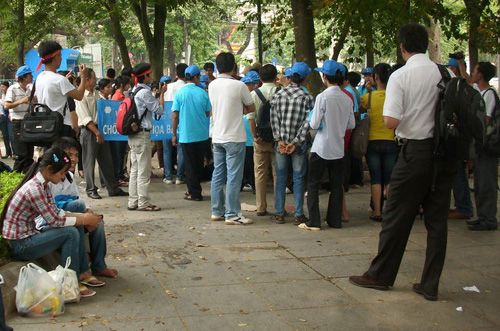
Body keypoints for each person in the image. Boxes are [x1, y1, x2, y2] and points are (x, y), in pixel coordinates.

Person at [349, 23, 457, 301]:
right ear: (426, 44)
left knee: (395, 216)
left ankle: (380, 275)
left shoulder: (401, 76)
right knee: (436, 222)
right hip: (443, 155)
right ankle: (430, 284)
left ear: (402, 46)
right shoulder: (443, 72)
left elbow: (390, 121)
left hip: (414, 153)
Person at [1, 147, 104, 297]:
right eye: (62, 172)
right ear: (49, 170)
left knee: (76, 225)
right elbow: (55, 220)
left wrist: (82, 217)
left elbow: (57, 212)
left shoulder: (44, 184)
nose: (64, 176)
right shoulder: (34, 189)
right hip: (21, 245)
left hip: (30, 234)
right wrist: (84, 219)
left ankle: (81, 273)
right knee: (70, 233)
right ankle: (69, 285)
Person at [50, 137, 118, 280]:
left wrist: (88, 213)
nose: (74, 159)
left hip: (69, 213)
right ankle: (82, 271)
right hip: (55, 218)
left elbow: (76, 197)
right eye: (70, 155)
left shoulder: (68, 176)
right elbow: (52, 208)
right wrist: (82, 214)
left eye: (76, 155)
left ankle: (99, 266)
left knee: (97, 222)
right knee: (79, 214)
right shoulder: (50, 177)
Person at [300, 60, 355, 231]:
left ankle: (314, 221)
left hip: (321, 147)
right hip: (338, 148)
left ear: (325, 77)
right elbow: (351, 124)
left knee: (313, 184)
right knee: (336, 186)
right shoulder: (347, 98)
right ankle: (334, 220)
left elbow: (314, 123)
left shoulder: (322, 97)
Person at [209, 52, 255, 225]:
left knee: (218, 174)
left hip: (217, 136)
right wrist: (239, 109)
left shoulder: (212, 85)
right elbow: (251, 107)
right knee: (234, 177)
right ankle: (232, 213)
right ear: (233, 66)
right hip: (235, 136)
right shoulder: (239, 86)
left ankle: (216, 210)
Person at [270, 62, 314, 225]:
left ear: (290, 77)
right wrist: (296, 142)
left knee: (280, 178)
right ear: (304, 78)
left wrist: (280, 140)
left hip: (281, 144)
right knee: (299, 178)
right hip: (299, 145)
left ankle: (279, 213)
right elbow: (307, 123)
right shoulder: (307, 97)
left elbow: (274, 120)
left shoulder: (278, 95)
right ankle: (298, 214)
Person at [76, 68, 127, 200]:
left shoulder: (97, 94)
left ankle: (112, 187)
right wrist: (97, 132)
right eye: (94, 78)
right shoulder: (81, 96)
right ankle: (91, 189)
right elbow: (86, 118)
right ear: (87, 80)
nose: (96, 80)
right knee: (89, 161)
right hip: (89, 131)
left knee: (106, 160)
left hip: (101, 130)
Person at [127, 63, 166, 211]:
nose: (151, 77)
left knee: (135, 170)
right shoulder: (144, 93)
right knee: (143, 171)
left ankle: (133, 201)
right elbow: (159, 110)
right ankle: (143, 202)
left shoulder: (133, 91)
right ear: (144, 76)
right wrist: (161, 94)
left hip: (133, 135)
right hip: (142, 134)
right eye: (149, 74)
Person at [362, 63, 398, 222]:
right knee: (389, 177)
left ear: (375, 77)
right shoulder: (395, 97)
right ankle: (390, 212)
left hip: (372, 142)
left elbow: (361, 114)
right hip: (391, 140)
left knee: (376, 178)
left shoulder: (367, 98)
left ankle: (377, 211)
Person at [465, 62, 498, 231]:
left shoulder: (489, 94)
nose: (473, 73)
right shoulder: (481, 92)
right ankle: (483, 215)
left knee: (487, 182)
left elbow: (486, 119)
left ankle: (489, 218)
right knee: (480, 182)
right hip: (480, 146)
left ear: (481, 75)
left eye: (475, 70)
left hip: (487, 146)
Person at [171, 65, 211, 201]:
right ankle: (195, 190)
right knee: (198, 163)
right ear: (195, 77)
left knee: (189, 165)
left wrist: (174, 134)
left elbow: (175, 115)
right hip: (202, 135)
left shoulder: (180, 94)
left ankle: (194, 192)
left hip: (186, 135)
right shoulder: (203, 93)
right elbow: (208, 112)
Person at [34, 40, 87, 138]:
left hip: (45, 125)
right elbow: (79, 96)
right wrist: (83, 76)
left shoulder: (40, 77)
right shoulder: (59, 80)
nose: (61, 58)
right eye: (60, 55)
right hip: (61, 126)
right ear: (55, 57)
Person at [250, 64, 278, 216]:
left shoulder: (254, 94)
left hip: (260, 139)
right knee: (278, 173)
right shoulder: (281, 92)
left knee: (260, 173)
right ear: (276, 77)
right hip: (277, 139)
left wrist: (255, 136)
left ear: (260, 78)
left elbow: (251, 119)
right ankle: (279, 207)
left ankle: (261, 207)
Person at [4, 69, 34, 172]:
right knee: (21, 155)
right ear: (24, 77)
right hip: (18, 123)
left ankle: (25, 179)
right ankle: (15, 178)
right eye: (30, 74)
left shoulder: (30, 89)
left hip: (29, 123)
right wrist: (22, 100)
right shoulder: (12, 88)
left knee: (29, 155)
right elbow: (7, 105)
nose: (32, 76)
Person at [163, 64, 187, 185]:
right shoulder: (186, 88)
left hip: (167, 121)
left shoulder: (168, 87)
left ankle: (168, 177)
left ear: (176, 74)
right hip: (182, 122)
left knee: (167, 150)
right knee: (181, 150)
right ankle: (180, 176)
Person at [240, 71, 261, 193]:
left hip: (247, 133)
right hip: (248, 133)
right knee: (249, 163)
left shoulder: (250, 96)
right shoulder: (249, 96)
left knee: (249, 163)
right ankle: (250, 183)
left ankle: (249, 183)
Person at [110, 75, 131, 186]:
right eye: (128, 83)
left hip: (122, 129)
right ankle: (118, 176)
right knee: (119, 154)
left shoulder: (121, 95)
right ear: (123, 85)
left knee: (122, 153)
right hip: (118, 130)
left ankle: (121, 174)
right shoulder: (118, 97)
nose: (129, 85)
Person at [0, 81, 12, 159]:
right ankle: (8, 152)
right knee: (5, 136)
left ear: (7, 87)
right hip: (3, 117)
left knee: (11, 135)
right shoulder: (2, 95)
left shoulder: (10, 94)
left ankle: (14, 152)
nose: (2, 88)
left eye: (3, 87)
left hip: (9, 117)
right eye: (1, 87)